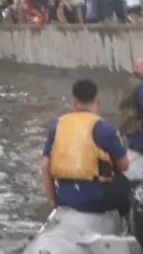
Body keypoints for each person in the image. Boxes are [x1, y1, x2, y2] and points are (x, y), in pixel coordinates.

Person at [41, 79, 131, 216]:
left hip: (65, 198)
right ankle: (126, 224)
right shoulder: (105, 129)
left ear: (73, 102)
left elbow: (45, 165)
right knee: (124, 184)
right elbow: (124, 165)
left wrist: (53, 201)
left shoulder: (57, 127)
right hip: (95, 199)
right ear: (97, 100)